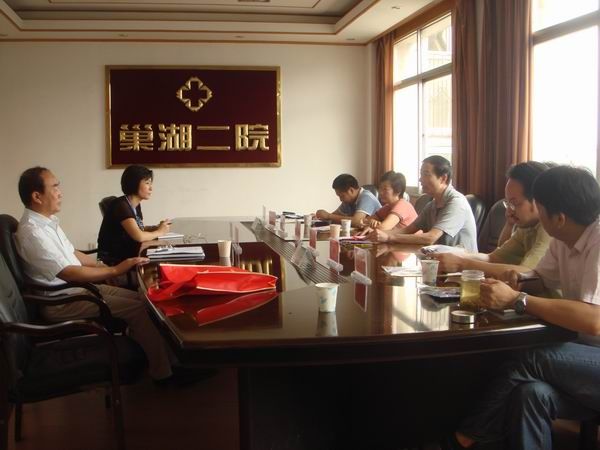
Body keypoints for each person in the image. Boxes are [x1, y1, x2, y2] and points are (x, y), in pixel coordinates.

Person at [443, 166, 600, 450]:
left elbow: (594, 319)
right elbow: (542, 278)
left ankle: (465, 437)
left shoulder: (597, 240)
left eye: (540, 207)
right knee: (530, 395)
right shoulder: (565, 238)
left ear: (559, 218)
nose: (537, 213)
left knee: (529, 357)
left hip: (592, 354)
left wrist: (518, 299)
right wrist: (520, 281)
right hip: (582, 355)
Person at [15, 167, 195, 386]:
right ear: (37, 196)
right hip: (62, 300)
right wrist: (114, 270)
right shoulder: (33, 232)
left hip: (77, 289)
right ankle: (163, 374)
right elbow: (69, 271)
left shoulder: (47, 222)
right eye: (55, 187)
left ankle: (157, 357)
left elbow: (73, 254)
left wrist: (101, 266)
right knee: (139, 309)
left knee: (143, 299)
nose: (60, 192)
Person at [432, 161, 552, 278]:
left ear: (538, 201)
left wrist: (462, 264)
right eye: (508, 203)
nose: (509, 211)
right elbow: (494, 258)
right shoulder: (526, 226)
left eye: (515, 203)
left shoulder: (550, 228)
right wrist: (454, 257)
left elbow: (527, 273)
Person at [364, 156, 478, 252]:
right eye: (421, 174)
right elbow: (407, 230)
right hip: (439, 260)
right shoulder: (432, 205)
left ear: (443, 178)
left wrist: (389, 237)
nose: (420, 179)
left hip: (463, 267)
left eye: (426, 174)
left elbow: (431, 238)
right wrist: (378, 233)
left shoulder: (456, 202)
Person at [98, 165, 171, 264]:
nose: (151, 188)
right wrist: (160, 232)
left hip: (128, 253)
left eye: (151, 183)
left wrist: (156, 227)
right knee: (162, 260)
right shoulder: (121, 205)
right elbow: (139, 236)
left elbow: (138, 228)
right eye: (147, 183)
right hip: (115, 260)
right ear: (134, 183)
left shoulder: (134, 204)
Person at [315, 174, 381, 228]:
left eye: (342, 196)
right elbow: (334, 216)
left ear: (351, 190)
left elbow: (357, 221)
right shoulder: (348, 201)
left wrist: (328, 216)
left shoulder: (366, 197)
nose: (340, 200)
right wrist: (320, 218)